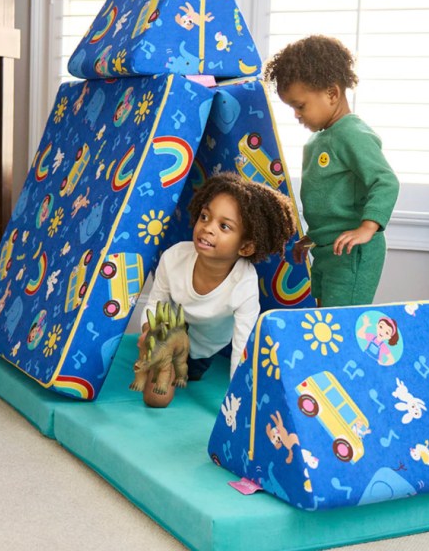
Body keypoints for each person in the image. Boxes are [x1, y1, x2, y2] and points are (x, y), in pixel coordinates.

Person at [137, 172, 297, 407]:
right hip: (169, 334)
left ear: (245, 247)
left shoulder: (244, 284)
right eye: (204, 217)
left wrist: (237, 399)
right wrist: (151, 332)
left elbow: (242, 346)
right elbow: (155, 303)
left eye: (224, 226)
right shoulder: (174, 257)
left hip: (200, 354)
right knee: (156, 399)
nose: (208, 228)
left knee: (185, 376)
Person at [264, 35, 399, 307]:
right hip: (328, 250)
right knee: (325, 317)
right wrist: (312, 238)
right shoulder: (317, 141)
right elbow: (332, 202)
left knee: (341, 324)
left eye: (300, 106)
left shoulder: (352, 133)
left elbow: (386, 181)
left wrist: (367, 228)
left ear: (332, 93)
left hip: (353, 251)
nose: (296, 115)